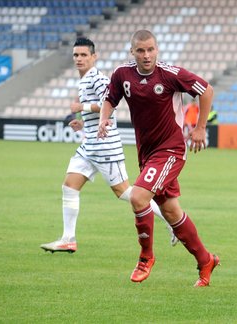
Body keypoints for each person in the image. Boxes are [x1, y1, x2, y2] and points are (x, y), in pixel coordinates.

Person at [97, 30, 219, 287]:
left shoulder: (171, 74)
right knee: (172, 212)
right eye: (141, 50)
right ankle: (206, 260)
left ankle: (146, 257)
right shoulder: (122, 75)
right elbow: (110, 98)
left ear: (157, 49)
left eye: (151, 49)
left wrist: (199, 128)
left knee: (138, 197)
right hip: (147, 154)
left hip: (171, 150)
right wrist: (104, 118)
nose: (146, 55)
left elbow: (206, 90)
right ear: (133, 52)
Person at [40, 37, 177, 254]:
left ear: (94, 57)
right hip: (90, 144)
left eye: (84, 55)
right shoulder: (84, 79)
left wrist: (81, 106)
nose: (79, 59)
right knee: (69, 186)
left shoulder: (97, 78)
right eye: (76, 55)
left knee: (126, 193)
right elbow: (100, 112)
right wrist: (83, 123)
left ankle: (172, 222)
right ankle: (68, 239)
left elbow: (110, 104)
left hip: (105, 146)